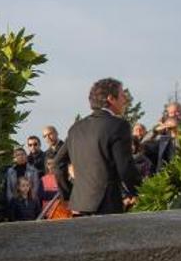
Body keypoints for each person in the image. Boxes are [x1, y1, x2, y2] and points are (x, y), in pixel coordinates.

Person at [54, 78, 141, 215]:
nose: (125, 100)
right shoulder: (118, 125)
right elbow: (125, 166)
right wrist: (138, 192)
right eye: (122, 95)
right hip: (107, 204)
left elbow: (58, 163)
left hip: (79, 204)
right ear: (111, 98)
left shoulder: (76, 128)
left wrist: (68, 195)